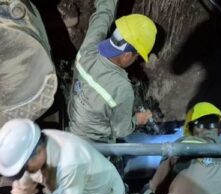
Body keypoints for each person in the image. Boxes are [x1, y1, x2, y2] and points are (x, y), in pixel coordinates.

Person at [67, 0, 158, 143]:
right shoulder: (122, 88)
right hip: (95, 145)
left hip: (72, 128)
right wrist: (138, 119)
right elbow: (121, 130)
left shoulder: (89, 48)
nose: (137, 60)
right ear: (127, 55)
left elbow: (103, 14)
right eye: (137, 56)